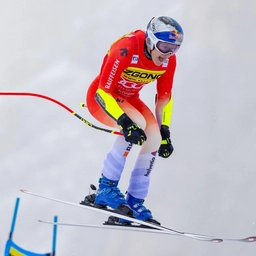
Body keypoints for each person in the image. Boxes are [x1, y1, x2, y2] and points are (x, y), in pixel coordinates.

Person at [83, 16, 184, 225]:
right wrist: (125, 122)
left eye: (174, 48)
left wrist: (165, 131)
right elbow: (104, 91)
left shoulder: (168, 61)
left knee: (154, 138)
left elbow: (164, 97)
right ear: (151, 40)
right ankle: (106, 187)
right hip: (102, 98)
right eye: (165, 47)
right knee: (136, 123)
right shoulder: (126, 48)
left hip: (129, 99)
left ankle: (134, 201)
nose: (168, 54)